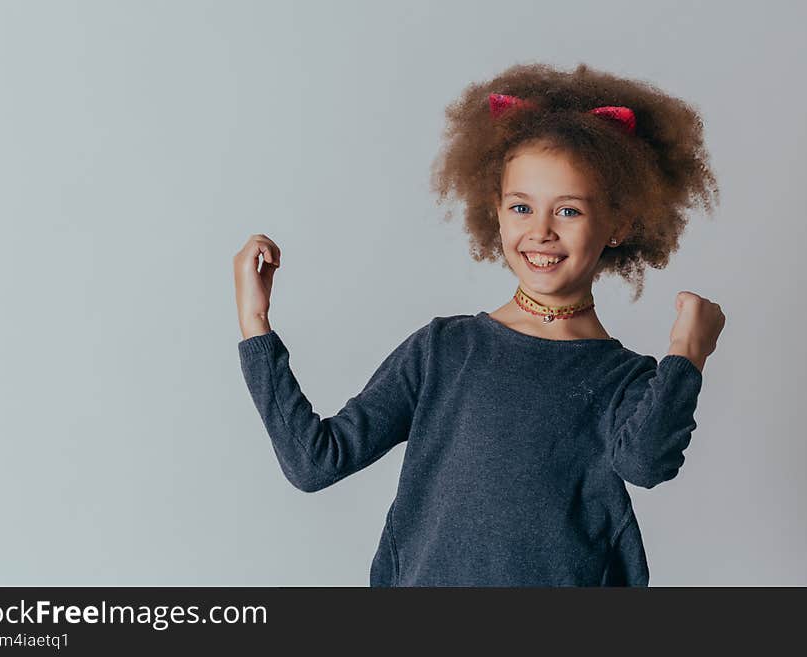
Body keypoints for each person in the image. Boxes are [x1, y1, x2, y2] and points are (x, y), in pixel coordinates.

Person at [232, 62, 726, 586]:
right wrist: (255, 322)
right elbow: (314, 462)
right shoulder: (444, 350)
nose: (540, 231)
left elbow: (646, 464)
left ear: (620, 224)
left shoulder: (627, 380)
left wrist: (686, 354)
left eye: (570, 212)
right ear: (495, 212)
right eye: (521, 206)